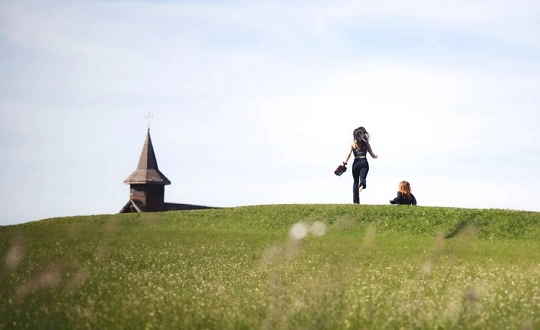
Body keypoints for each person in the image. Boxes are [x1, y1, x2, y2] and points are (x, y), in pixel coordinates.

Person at [342, 126, 378, 204]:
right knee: (363, 176)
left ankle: (356, 201)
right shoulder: (366, 144)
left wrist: (345, 161)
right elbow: (372, 154)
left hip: (356, 162)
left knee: (355, 182)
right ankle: (362, 183)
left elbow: (349, 153)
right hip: (364, 161)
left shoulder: (353, 144)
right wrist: (376, 156)